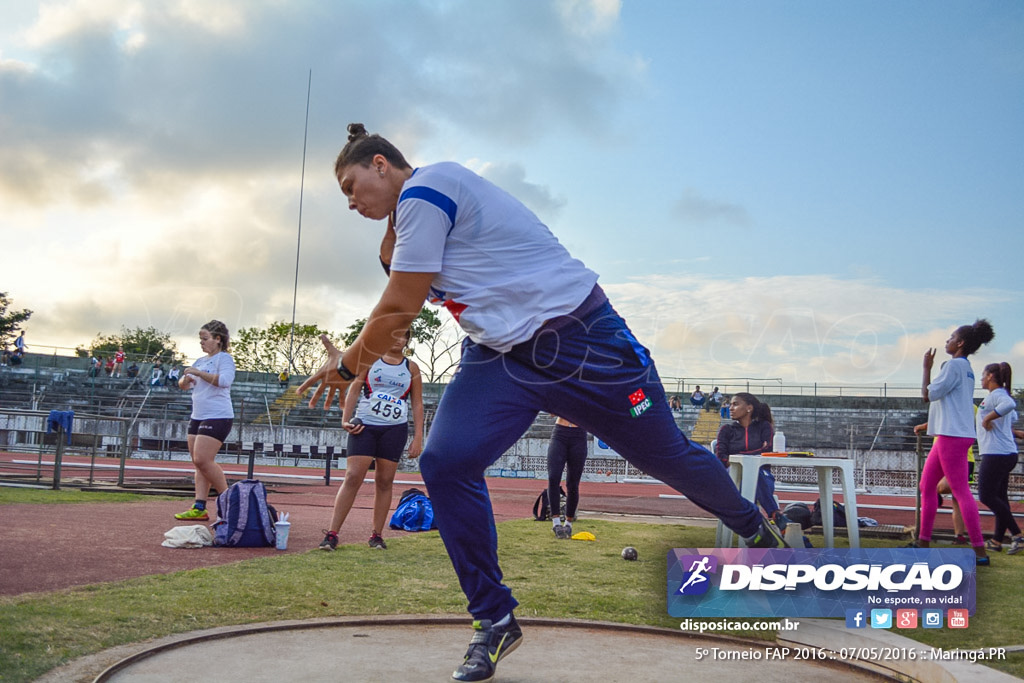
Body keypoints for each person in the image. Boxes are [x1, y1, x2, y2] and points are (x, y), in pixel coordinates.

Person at [298, 123, 784, 683]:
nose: (351, 201)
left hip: (584, 341)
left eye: (351, 185)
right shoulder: (403, 232)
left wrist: (346, 366)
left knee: (667, 456)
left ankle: (754, 528)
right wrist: (365, 329)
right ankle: (494, 617)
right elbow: (408, 297)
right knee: (446, 461)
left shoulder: (430, 189)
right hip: (500, 357)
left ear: (381, 164)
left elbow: (401, 306)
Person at [318, 329, 424, 551]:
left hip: (395, 429)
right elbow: (355, 388)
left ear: (407, 340)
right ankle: (332, 534)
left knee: (385, 481)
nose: (398, 339)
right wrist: (345, 419)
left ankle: (377, 535)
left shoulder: (411, 368)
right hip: (365, 426)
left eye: (403, 336)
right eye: (394, 335)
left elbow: (417, 404)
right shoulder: (371, 361)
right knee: (353, 476)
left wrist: (418, 438)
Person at [911, 319, 994, 565]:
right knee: (927, 486)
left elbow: (928, 395)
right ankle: (923, 542)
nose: (946, 341)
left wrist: (926, 367)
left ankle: (979, 552)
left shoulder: (952, 366)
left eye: (950, 338)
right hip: (948, 434)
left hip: (951, 435)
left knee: (960, 491)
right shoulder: (966, 368)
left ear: (960, 343)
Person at [174, 321, 235, 521]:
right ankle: (199, 506)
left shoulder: (224, 359)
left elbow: (224, 381)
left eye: (205, 339)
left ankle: (228, 501)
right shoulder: (200, 360)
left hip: (218, 415)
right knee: (198, 463)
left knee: (203, 460)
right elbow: (183, 386)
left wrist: (199, 373)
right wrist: (185, 380)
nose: (201, 342)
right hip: (198, 415)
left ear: (218, 339)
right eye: (200, 339)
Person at [715, 393, 787, 529]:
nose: (730, 408)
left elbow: (768, 453)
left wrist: (738, 456)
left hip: (763, 475)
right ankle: (775, 513)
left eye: (735, 404)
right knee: (751, 472)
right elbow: (721, 457)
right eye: (730, 404)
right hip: (733, 476)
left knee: (755, 472)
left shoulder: (764, 427)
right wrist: (754, 455)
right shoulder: (726, 430)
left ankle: (755, 524)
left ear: (749, 408)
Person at [975, 362, 1024, 554]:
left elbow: (1010, 405)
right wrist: (1014, 432)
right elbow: (1008, 420)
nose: (981, 378)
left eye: (983, 374)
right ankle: (996, 540)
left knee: (986, 496)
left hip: (997, 454)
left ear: (990, 377)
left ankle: (1017, 535)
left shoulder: (999, 395)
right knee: (1000, 498)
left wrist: (987, 418)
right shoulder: (995, 397)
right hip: (1003, 453)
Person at [914, 420, 975, 545]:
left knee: (952, 492)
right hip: (940, 453)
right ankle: (959, 536)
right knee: (957, 497)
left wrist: (920, 426)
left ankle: (965, 537)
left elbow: (937, 421)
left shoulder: (968, 407)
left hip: (960, 455)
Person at [545, 416, 589, 539]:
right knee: (553, 477)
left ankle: (568, 523)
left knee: (573, 483)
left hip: (579, 434)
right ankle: (556, 522)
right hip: (560, 433)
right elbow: (551, 413)